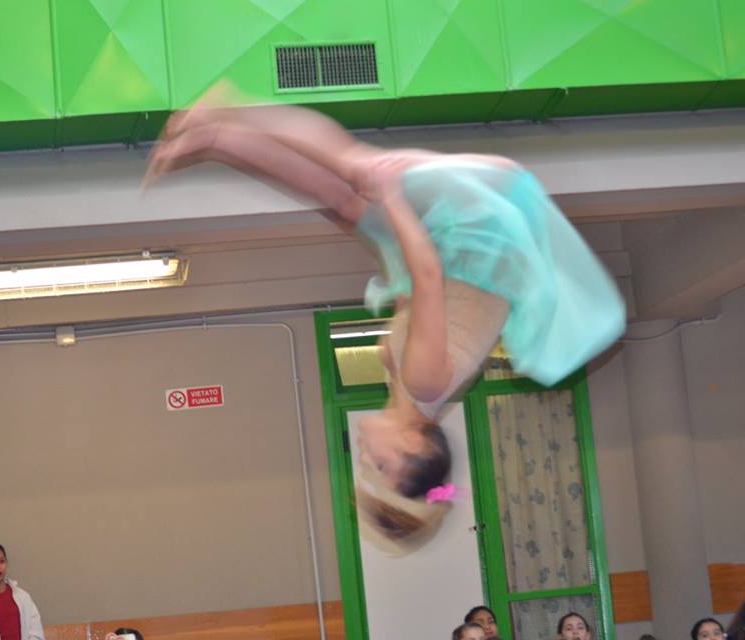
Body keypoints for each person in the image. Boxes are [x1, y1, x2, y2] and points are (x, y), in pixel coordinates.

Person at [145, 83, 625, 546]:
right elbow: (429, 278)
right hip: (480, 221)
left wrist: (377, 233)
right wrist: (390, 196)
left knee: (342, 202)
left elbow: (417, 295)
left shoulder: (408, 391)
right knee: (359, 167)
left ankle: (218, 139)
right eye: (380, 466)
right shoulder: (424, 384)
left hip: (457, 248)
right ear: (412, 445)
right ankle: (226, 110)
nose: (365, 459)